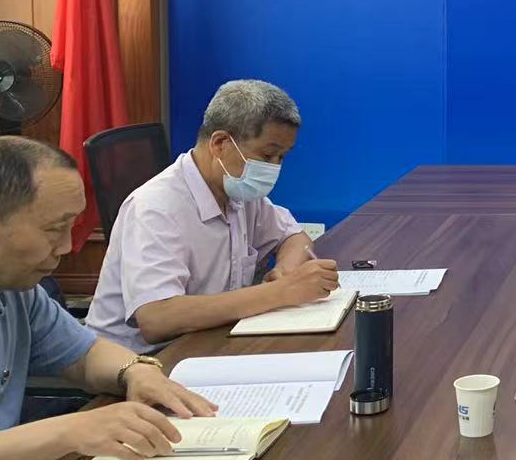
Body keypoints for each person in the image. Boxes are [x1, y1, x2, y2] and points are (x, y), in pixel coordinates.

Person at [0, 137, 215, 460]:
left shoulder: (12, 289)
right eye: (54, 229)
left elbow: (84, 354)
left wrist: (135, 371)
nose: (65, 246)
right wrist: (68, 432)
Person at [87, 80, 338, 352]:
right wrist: (279, 292)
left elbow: (294, 236)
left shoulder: (236, 190)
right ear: (220, 143)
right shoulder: (155, 207)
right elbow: (157, 318)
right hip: (139, 362)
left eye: (282, 157)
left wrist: (285, 271)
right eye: (267, 155)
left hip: (209, 340)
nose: (275, 168)